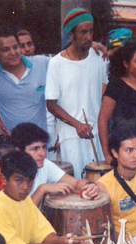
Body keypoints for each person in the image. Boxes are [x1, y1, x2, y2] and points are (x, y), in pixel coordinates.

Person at [0, 151, 93, 244]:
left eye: (30, 181)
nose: (25, 187)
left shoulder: (25, 201)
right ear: (4, 179)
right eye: (19, 180)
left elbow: (42, 232)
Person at [46, 8, 108, 177]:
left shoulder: (99, 57)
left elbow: (105, 91)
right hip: (72, 137)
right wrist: (76, 124)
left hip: (97, 134)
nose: (89, 37)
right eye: (83, 32)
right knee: (79, 188)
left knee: (101, 185)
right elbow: (51, 105)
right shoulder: (56, 64)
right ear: (71, 35)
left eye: (91, 31)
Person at [98, 40, 136, 163]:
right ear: (126, 63)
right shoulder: (116, 86)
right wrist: (107, 154)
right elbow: (103, 120)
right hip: (126, 151)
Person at [10, 123, 99, 206]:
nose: (42, 153)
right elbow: (22, 215)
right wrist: (42, 189)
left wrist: (90, 186)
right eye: (35, 149)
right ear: (19, 151)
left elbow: (76, 182)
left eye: (43, 147)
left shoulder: (45, 164)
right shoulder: (11, 174)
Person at [0, 26, 51, 133]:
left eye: (15, 47)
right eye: (6, 49)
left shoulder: (42, 63)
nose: (13, 53)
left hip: (41, 145)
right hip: (12, 146)